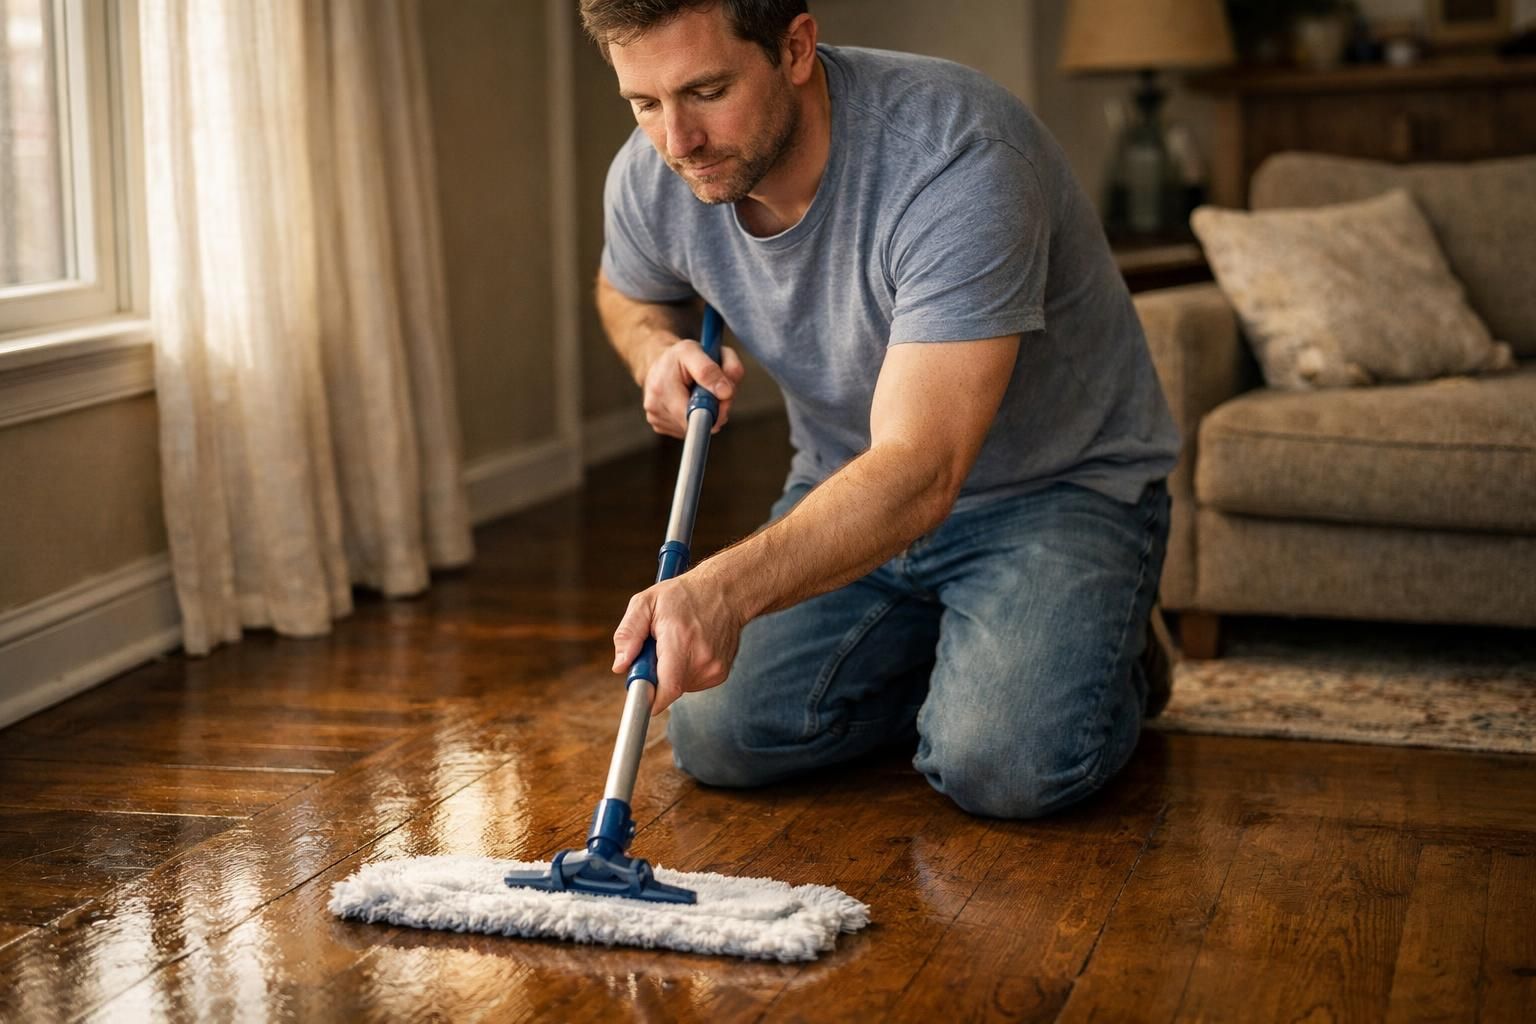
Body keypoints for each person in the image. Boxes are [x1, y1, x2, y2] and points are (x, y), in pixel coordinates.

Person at [583, 0, 1179, 819]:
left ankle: (1120, 650)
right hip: (845, 483)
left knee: (1003, 768)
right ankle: (971, 657)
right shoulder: (655, 173)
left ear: (795, 47)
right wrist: (654, 348)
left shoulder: (956, 157)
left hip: (1054, 493)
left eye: (707, 91)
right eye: (644, 103)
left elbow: (923, 466)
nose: (676, 141)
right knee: (720, 736)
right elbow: (626, 289)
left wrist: (721, 590)